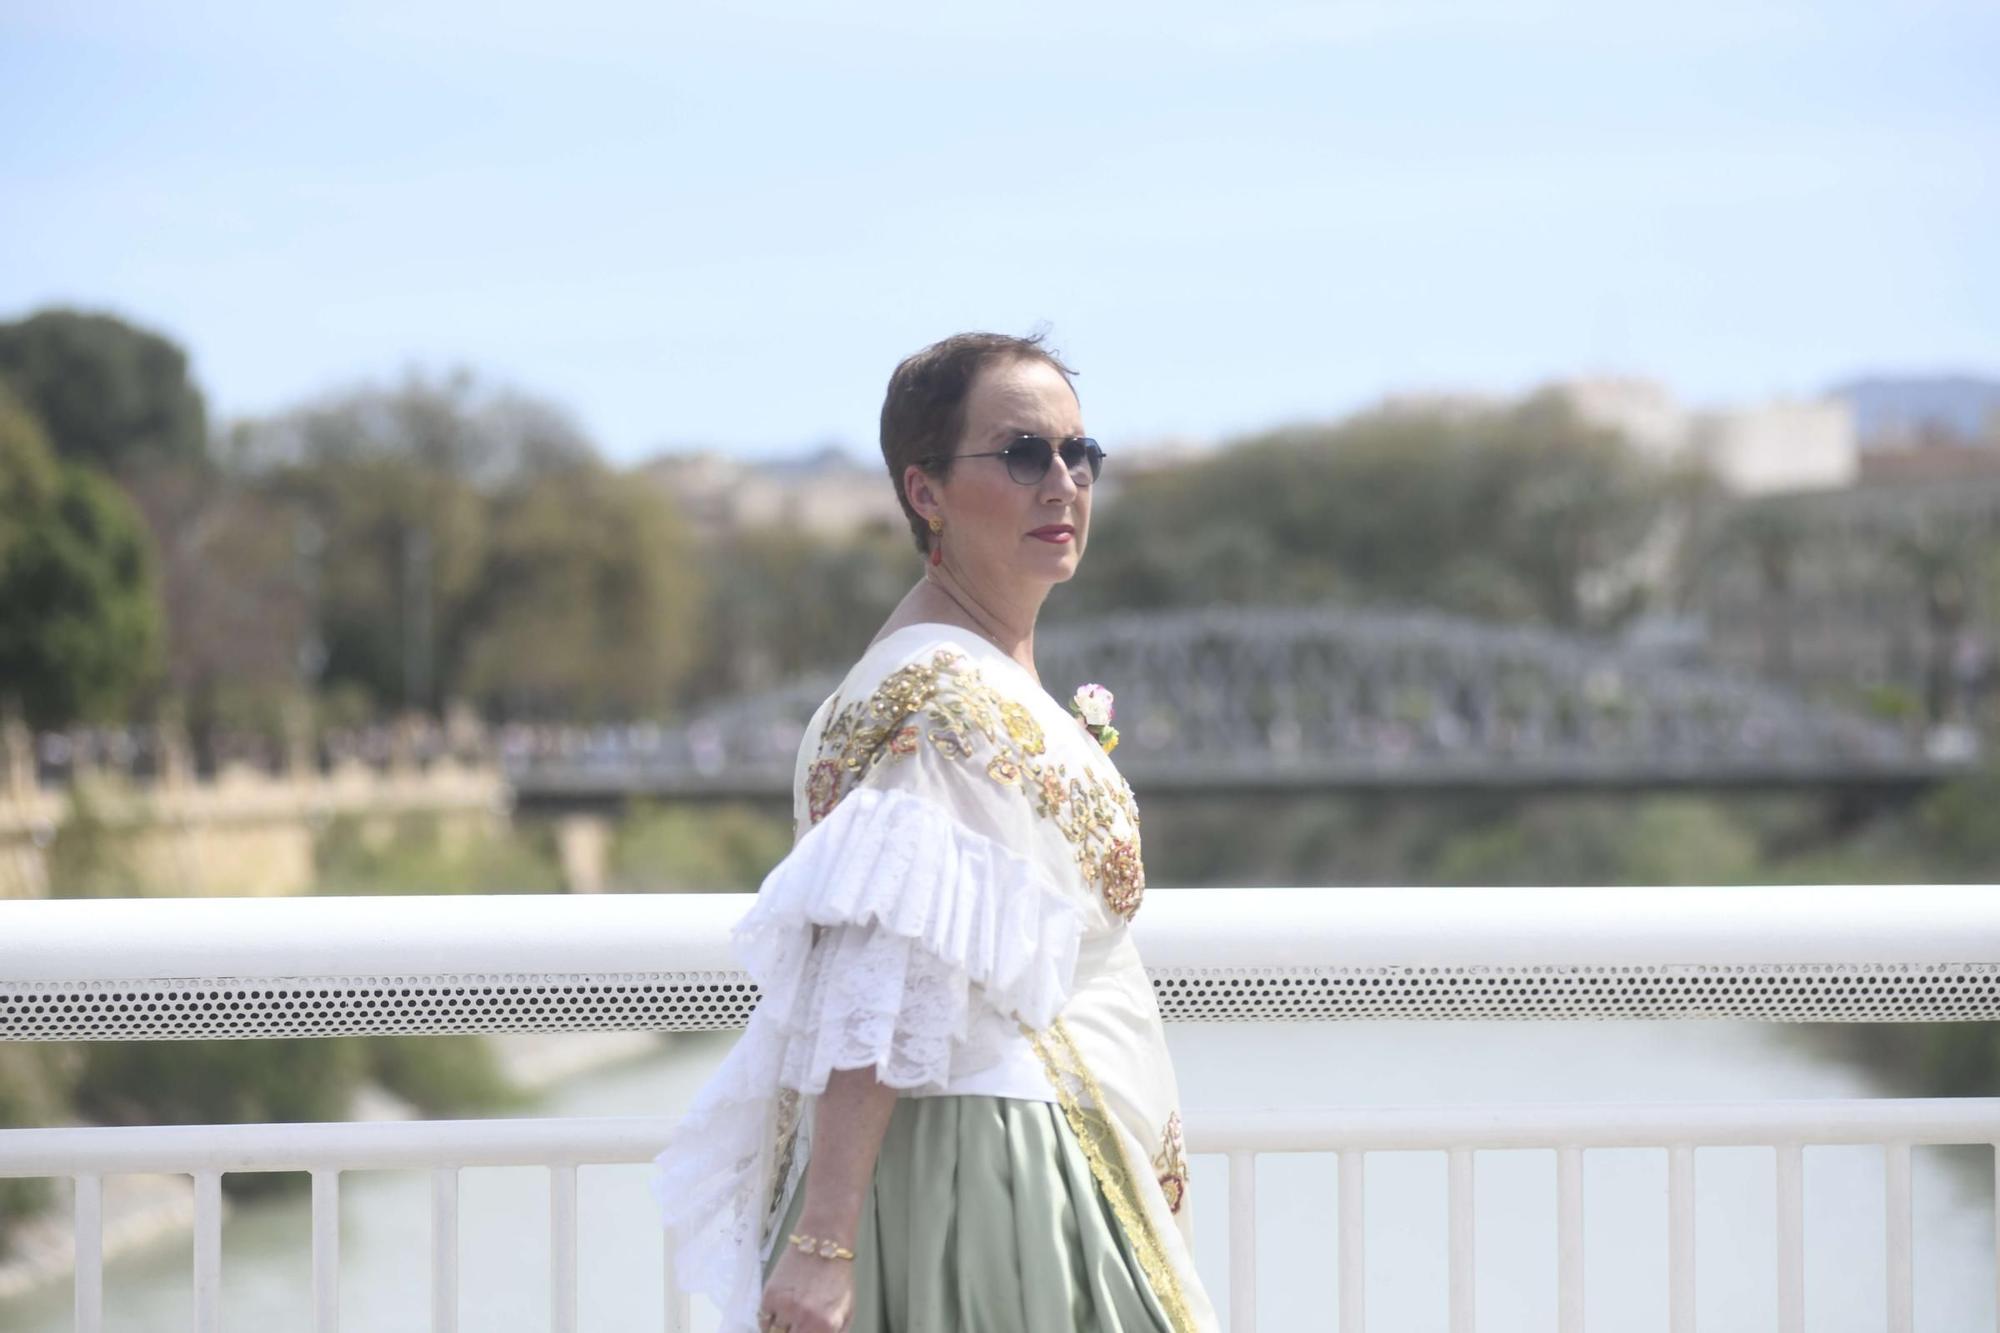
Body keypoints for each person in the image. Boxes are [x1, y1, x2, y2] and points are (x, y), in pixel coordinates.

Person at [650, 332, 1217, 1333]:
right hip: (994, 1168)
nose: (1062, 482)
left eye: (1078, 453)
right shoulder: (941, 695)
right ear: (924, 492)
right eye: (1020, 453)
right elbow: (880, 957)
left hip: (1014, 1148)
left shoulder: (946, 674)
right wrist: (825, 1244)